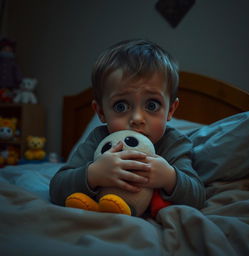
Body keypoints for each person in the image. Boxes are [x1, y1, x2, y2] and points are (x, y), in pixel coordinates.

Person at [49, 39, 205, 217]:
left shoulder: (174, 143)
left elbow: (198, 197)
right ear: (100, 112)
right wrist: (93, 174)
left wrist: (170, 178)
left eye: (152, 105)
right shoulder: (98, 139)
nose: (137, 119)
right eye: (121, 106)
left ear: (170, 110)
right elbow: (57, 188)